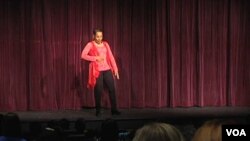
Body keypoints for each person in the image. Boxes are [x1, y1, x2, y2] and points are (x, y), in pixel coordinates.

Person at [81, 29, 121, 116]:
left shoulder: (106, 44)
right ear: (94, 36)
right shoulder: (90, 45)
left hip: (107, 69)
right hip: (97, 71)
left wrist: (115, 69)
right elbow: (83, 55)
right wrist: (95, 58)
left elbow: (111, 57)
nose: (99, 38)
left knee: (112, 89)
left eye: (101, 36)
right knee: (98, 90)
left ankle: (114, 110)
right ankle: (98, 110)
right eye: (98, 36)